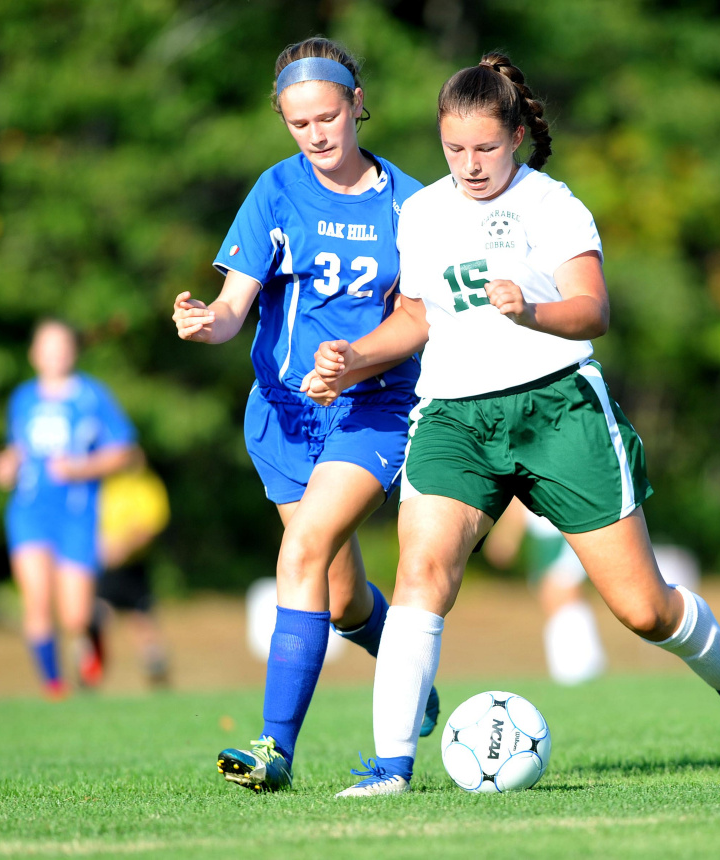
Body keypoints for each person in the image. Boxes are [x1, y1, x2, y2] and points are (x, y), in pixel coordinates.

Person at [306, 52, 720, 796]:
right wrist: (353, 360)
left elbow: (592, 308)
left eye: (485, 149)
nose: (469, 165)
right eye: (454, 148)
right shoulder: (422, 211)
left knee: (642, 609)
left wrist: (529, 310)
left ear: (518, 139)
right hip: (454, 418)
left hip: (556, 406)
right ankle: (390, 767)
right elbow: (414, 318)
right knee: (421, 572)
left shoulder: (551, 205)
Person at [171, 37, 438, 793]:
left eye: (328, 117)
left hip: (373, 408)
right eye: (299, 124)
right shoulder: (276, 190)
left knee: (302, 554)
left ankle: (273, 750)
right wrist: (205, 323)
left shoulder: (411, 205)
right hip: (284, 417)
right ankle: (403, 669)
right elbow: (232, 307)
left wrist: (354, 360)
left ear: (357, 105)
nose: (317, 135)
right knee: (342, 595)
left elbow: (419, 320)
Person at [0, 319, 138, 699]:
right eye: (46, 345)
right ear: (33, 354)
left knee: (74, 615)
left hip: (77, 512)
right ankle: (54, 687)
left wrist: (81, 468)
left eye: (61, 345)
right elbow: (17, 450)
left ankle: (94, 628)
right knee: (36, 601)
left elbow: (126, 452)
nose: (54, 353)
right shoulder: (23, 398)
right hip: (29, 510)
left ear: (73, 351)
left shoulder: (93, 396)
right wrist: (4, 465)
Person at [484, 497, 606, 685]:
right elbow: (516, 505)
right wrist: (507, 535)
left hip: (565, 532)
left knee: (562, 592)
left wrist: (507, 535)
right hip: (542, 540)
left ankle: (581, 666)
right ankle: (572, 667)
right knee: (551, 598)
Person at [85, 454, 171, 688]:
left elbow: (151, 525)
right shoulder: (105, 483)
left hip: (133, 566)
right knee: (95, 617)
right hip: (105, 567)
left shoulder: (147, 484)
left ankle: (157, 673)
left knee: (142, 620)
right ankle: (90, 673)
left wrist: (124, 546)